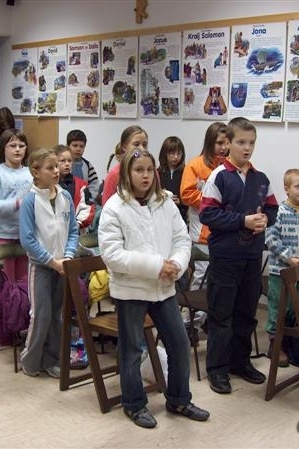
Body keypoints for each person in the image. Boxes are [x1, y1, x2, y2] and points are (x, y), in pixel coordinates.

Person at [98, 144, 210, 429]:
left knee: (179, 344)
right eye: (139, 170)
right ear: (127, 173)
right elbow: (113, 255)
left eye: (149, 170)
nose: (145, 175)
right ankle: (134, 404)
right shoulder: (114, 207)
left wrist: (176, 264)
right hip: (132, 289)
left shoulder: (165, 202)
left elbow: (181, 239)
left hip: (163, 287)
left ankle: (179, 399)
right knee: (132, 350)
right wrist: (156, 265)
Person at [200, 117, 278, 395]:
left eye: (251, 143)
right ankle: (217, 369)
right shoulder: (219, 176)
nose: (247, 148)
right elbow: (208, 214)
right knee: (222, 315)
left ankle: (240, 362)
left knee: (246, 312)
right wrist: (242, 221)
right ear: (228, 144)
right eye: (241, 142)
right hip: (226, 256)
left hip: (251, 255)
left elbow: (272, 208)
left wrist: (265, 220)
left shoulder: (261, 178)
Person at [19, 148, 78, 378]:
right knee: (41, 315)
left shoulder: (65, 197)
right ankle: (30, 360)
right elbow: (28, 239)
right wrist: (52, 262)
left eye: (57, 167)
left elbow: (73, 231)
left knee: (57, 315)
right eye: (50, 167)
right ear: (36, 172)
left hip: (63, 266)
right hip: (42, 267)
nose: (56, 171)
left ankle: (52, 359)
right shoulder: (30, 201)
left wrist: (68, 256)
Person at [264, 168, 299, 367]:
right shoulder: (277, 213)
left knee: (293, 308)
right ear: (287, 189)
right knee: (278, 307)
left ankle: (288, 343)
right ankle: (275, 344)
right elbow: (271, 238)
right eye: (298, 186)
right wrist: (288, 258)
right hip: (280, 272)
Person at [179, 122, 228, 289]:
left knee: (222, 277)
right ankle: (194, 307)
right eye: (219, 143)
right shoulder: (195, 165)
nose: (223, 147)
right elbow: (186, 195)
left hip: (225, 232)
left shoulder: (231, 166)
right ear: (210, 142)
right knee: (202, 276)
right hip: (202, 232)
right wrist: (214, 200)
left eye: (226, 143)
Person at [0, 128, 32, 283]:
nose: (17, 149)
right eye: (12, 146)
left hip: (26, 235)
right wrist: (17, 203)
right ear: (3, 148)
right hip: (3, 234)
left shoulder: (31, 173)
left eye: (21, 146)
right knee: (6, 282)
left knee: (25, 281)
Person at [101, 125, 149, 206]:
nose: (142, 149)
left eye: (144, 145)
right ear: (124, 147)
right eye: (136, 144)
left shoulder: (152, 171)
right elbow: (106, 207)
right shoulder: (115, 174)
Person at [55, 145, 95, 232]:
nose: (67, 164)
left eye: (69, 161)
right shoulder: (49, 184)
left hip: (77, 231)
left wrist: (77, 224)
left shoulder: (81, 185)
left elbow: (88, 208)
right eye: (62, 161)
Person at [157, 136, 187, 222]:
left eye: (179, 154)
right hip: (162, 215)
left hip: (180, 215)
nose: (176, 157)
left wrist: (180, 202)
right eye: (172, 153)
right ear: (165, 154)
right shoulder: (158, 172)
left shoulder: (186, 171)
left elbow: (189, 194)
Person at [66, 129, 99, 199]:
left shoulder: (88, 165)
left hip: (84, 201)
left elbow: (94, 185)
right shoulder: (63, 164)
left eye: (81, 146)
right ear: (68, 146)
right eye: (75, 146)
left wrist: (88, 199)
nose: (78, 149)